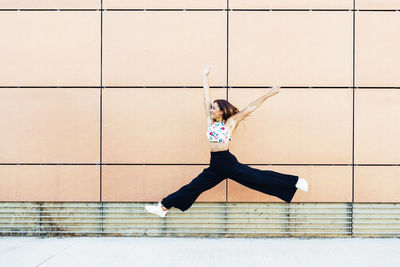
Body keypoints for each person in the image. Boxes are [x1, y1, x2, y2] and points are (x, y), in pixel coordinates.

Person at [145, 64, 308, 217]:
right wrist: (205, 76)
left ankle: (295, 181)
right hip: (215, 165)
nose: (211, 109)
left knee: (257, 178)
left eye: (214, 108)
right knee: (193, 187)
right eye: (211, 107)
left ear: (222, 111)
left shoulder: (230, 123)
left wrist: (269, 94)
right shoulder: (210, 121)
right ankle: (163, 207)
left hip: (227, 162)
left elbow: (249, 108)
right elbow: (206, 96)